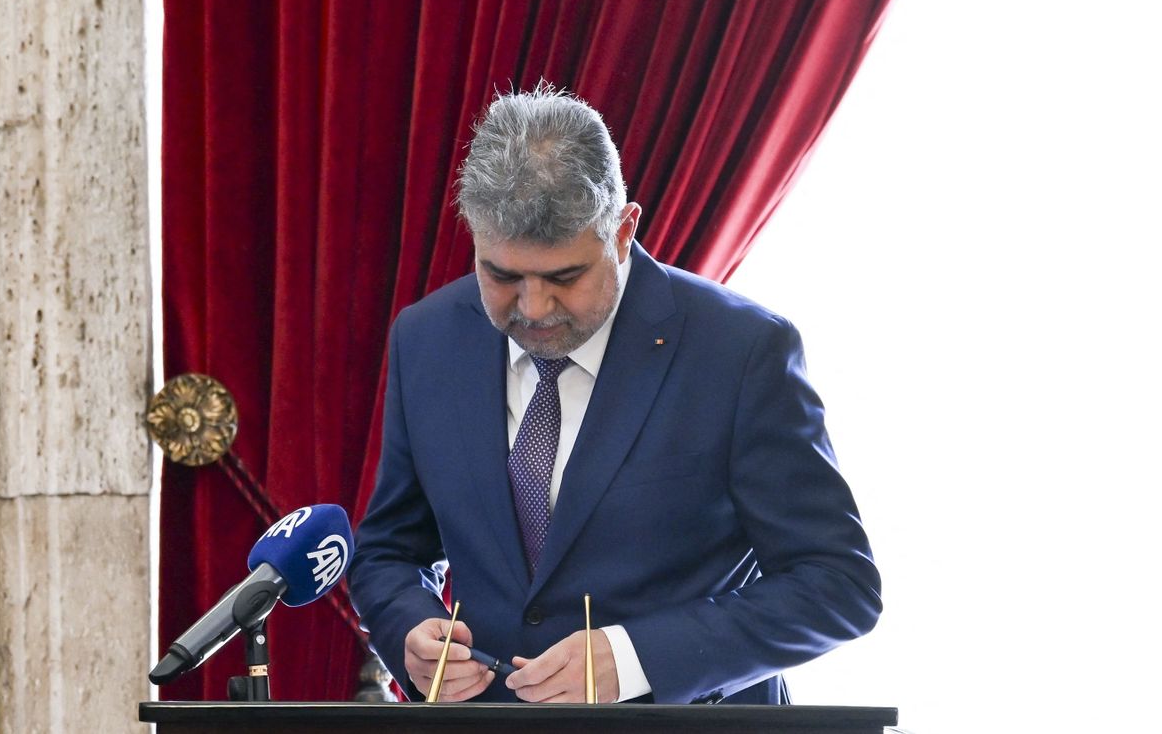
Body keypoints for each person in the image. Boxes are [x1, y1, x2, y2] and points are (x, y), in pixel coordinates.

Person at [347, 85, 881, 705]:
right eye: (502, 275)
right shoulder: (427, 338)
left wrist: (635, 658)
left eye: (564, 277)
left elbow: (837, 586)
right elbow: (389, 550)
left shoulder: (742, 350)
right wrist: (408, 628)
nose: (532, 308)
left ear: (623, 230)